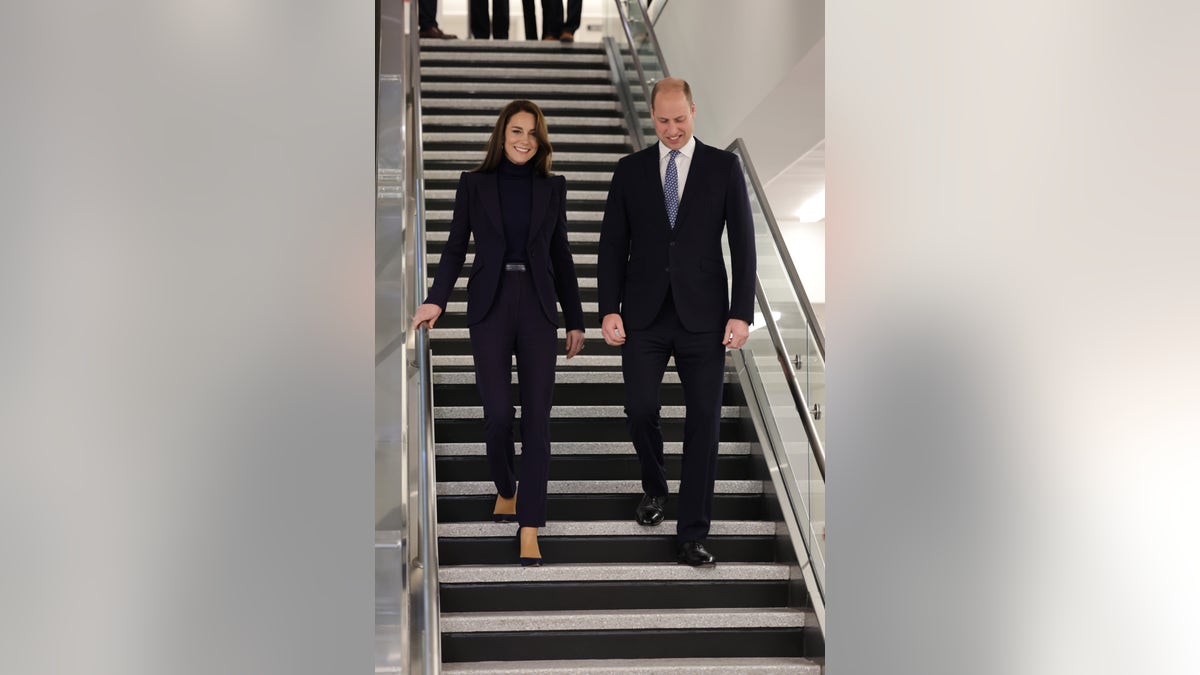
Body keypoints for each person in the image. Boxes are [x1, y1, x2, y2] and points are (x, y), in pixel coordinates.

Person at [413, 100, 586, 567]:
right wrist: (436, 298)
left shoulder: (553, 188)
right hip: (489, 307)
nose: (524, 140)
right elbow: (454, 247)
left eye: (532, 132)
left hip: (536, 306)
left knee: (538, 422)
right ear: (501, 134)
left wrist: (575, 318)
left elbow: (562, 256)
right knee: (496, 416)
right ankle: (506, 487)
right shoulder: (474, 184)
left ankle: (530, 523)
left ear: (541, 139)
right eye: (516, 131)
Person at [597, 77, 755, 568]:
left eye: (679, 119)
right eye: (662, 121)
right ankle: (654, 485)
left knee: (704, 425)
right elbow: (610, 245)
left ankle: (692, 535)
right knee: (640, 408)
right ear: (652, 116)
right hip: (643, 315)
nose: (671, 129)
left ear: (694, 111)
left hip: (704, 317)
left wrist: (740, 311)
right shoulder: (630, 171)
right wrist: (608, 306)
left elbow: (744, 244)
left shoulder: (723, 167)